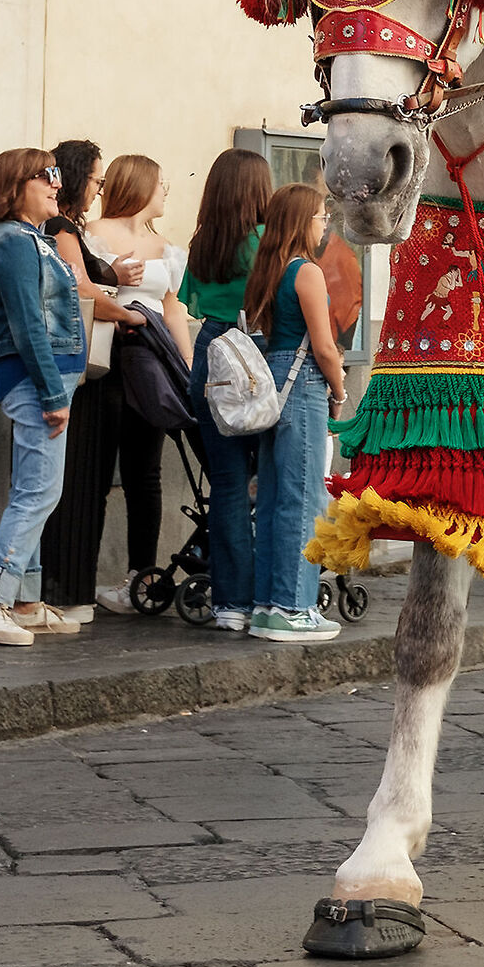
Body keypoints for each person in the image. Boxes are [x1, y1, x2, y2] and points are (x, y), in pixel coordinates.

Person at [0, 150, 88, 646]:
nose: (57, 185)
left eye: (57, 175)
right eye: (47, 176)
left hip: (46, 379)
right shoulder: (13, 242)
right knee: (39, 493)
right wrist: (53, 392)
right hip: (39, 381)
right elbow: (27, 324)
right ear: (17, 185)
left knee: (33, 490)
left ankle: (26, 601)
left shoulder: (31, 239)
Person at [38, 140, 155, 624]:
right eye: (96, 180)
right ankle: (65, 593)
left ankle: (70, 591)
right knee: (81, 481)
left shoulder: (69, 228)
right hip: (82, 372)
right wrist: (129, 314)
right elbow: (80, 290)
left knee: (86, 481)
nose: (98, 189)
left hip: (88, 369)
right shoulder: (61, 227)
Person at [88, 155, 193, 615]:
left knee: (144, 472)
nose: (166, 190)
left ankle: (139, 575)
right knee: (94, 468)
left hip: (151, 362)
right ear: (140, 186)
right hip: (104, 360)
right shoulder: (94, 232)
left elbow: (173, 309)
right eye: (161, 183)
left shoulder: (167, 246)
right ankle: (78, 575)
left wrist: (186, 364)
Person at [245, 180, 347, 639]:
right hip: (301, 383)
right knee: (305, 499)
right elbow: (325, 348)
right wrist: (340, 391)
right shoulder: (307, 272)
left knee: (272, 500)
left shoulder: (267, 268)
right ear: (303, 221)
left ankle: (266, 604)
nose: (325, 223)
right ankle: (294, 607)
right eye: (321, 215)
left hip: (272, 380)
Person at [182, 148, 274, 631]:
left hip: (210, 355)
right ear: (258, 190)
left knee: (227, 484)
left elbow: (191, 303)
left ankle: (229, 604)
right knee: (273, 480)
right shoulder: (263, 241)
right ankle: (271, 593)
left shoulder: (203, 241)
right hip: (254, 357)